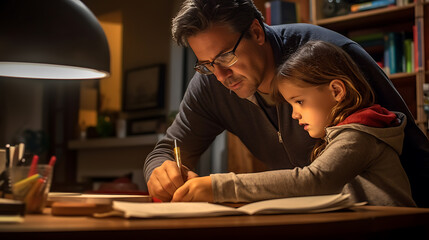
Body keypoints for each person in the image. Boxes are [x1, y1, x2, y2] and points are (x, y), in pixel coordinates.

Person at [144, 0, 429, 205]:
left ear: (256, 32)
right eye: (205, 64)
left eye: (226, 57)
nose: (219, 75)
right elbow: (168, 149)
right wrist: (161, 169)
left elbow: (410, 150)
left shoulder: (328, 60)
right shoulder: (210, 82)